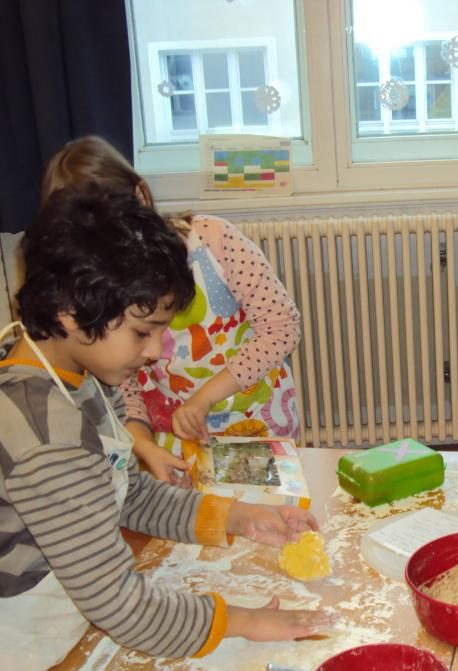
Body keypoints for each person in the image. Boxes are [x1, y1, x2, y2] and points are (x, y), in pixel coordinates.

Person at [0, 188, 330, 671]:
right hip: (23, 654)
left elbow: (124, 491)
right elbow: (117, 602)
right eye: (144, 332)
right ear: (70, 313)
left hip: (68, 614)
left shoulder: (72, 375)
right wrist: (243, 621)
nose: (154, 352)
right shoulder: (44, 432)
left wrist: (232, 516)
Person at [41, 136, 301, 486]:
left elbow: (282, 327)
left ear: (141, 196)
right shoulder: (98, 287)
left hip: (254, 423)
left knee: (261, 518)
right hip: (170, 440)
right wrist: (144, 444)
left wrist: (202, 399)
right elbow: (124, 385)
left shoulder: (213, 239)